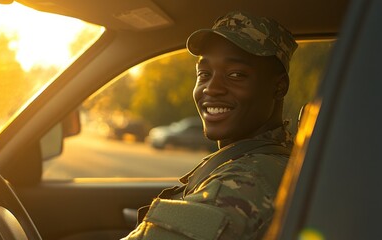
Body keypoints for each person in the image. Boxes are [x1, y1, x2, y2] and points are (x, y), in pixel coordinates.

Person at [122, 10, 297, 240]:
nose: (211, 88)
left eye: (235, 74)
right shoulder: (266, 160)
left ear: (279, 87)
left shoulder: (243, 182)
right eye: (204, 74)